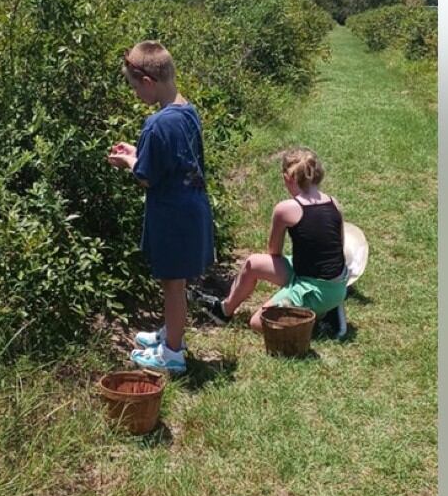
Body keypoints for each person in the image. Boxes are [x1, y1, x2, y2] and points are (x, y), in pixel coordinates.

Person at [106, 41, 214, 376]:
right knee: (176, 284)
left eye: (135, 87)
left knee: (172, 284)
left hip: (172, 216)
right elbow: (173, 161)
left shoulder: (156, 124)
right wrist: (139, 151)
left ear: (148, 82)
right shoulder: (186, 110)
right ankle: (172, 333)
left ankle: (173, 354)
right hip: (191, 209)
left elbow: (147, 177)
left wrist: (128, 161)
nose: (135, 93)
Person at [203, 147, 347, 333]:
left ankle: (319, 318)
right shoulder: (333, 202)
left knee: (257, 323)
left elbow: (274, 252)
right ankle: (224, 310)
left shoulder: (285, 209)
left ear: (288, 179)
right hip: (335, 283)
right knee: (252, 263)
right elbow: (339, 248)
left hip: (314, 288)